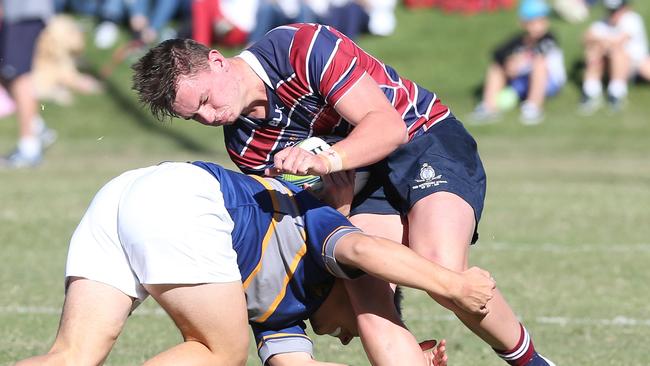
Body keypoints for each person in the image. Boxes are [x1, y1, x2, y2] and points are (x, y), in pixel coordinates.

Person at [132, 23, 555, 365]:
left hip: (422, 138)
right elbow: (318, 212)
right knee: (362, 285)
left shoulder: (298, 47)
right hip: (356, 180)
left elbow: (388, 127)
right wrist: (340, 208)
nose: (211, 116)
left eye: (206, 99)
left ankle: (533, 363)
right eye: (196, 116)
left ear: (217, 61)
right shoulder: (246, 144)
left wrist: (329, 160)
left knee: (440, 267)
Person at [15, 161, 495, 365]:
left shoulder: (282, 317)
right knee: (220, 351)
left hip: (124, 193)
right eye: (360, 329)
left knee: (73, 356)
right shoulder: (322, 235)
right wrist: (452, 286)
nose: (349, 338)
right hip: (181, 196)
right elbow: (367, 251)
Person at [470, 0, 566, 125]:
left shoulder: (549, 38)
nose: (538, 26)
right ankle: (489, 107)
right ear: (523, 23)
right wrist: (509, 63)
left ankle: (534, 107)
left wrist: (521, 60)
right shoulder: (518, 41)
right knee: (496, 66)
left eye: (542, 21)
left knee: (539, 63)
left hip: (549, 82)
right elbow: (497, 54)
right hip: (522, 81)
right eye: (533, 22)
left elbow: (540, 52)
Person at [0, 0, 57, 168]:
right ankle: (36, 127)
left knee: (19, 76)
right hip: (17, 12)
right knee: (7, 72)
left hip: (24, 12)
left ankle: (29, 149)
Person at [579, 0, 650, 113]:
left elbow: (619, 41)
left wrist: (600, 41)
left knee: (617, 52)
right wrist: (602, 43)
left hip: (637, 64)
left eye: (615, 10)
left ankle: (617, 93)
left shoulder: (632, 19)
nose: (612, 13)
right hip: (611, 65)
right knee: (594, 50)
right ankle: (591, 92)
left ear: (624, 8)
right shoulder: (602, 22)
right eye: (610, 10)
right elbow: (585, 38)